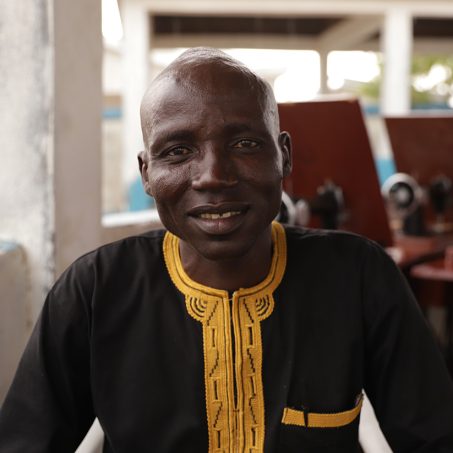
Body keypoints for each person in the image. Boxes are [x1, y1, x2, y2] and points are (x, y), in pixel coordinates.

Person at [1, 47, 453, 453]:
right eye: (178, 151)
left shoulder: (358, 276)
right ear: (146, 172)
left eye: (244, 144)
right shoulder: (95, 291)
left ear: (285, 157)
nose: (213, 175)